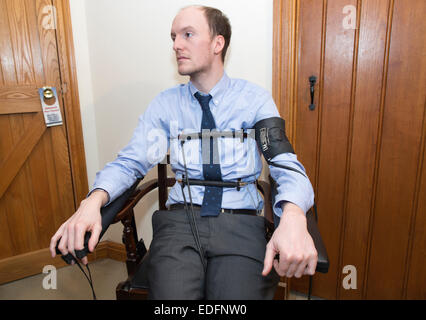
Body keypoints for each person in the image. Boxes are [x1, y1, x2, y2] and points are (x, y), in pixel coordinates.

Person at [50, 5, 317, 300]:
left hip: (240, 222)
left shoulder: (254, 100)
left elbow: (285, 163)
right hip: (180, 222)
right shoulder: (166, 105)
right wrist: (92, 200)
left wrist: (293, 214)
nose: (177, 44)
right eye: (174, 36)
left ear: (218, 43)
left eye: (188, 34)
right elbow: (131, 162)